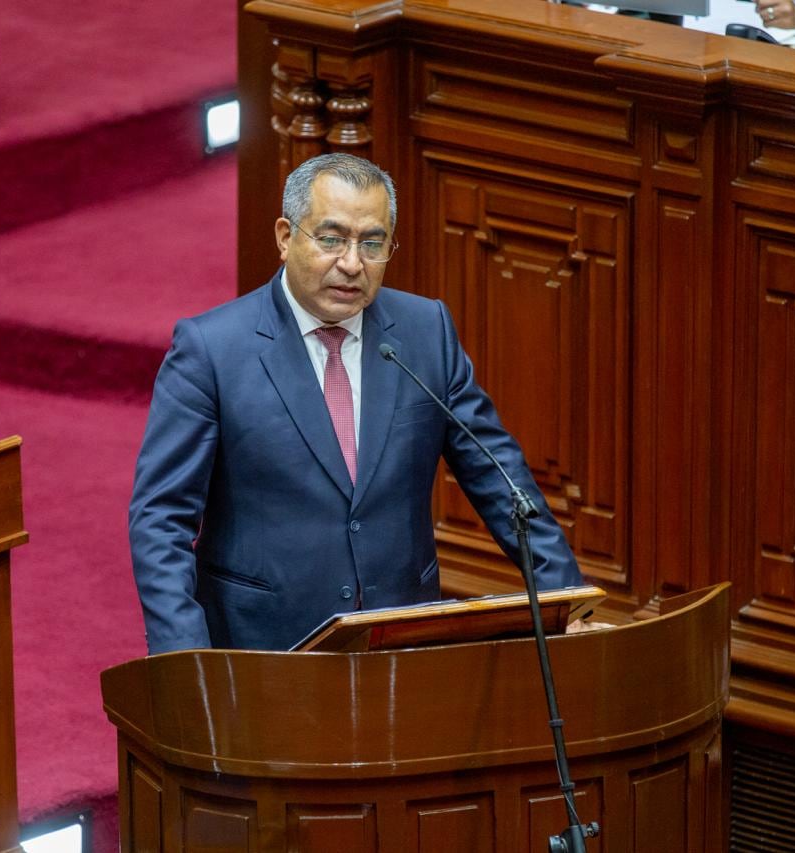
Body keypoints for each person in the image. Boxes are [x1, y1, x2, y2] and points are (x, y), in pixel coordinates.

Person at [128, 153, 584, 655]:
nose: (352, 263)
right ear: (285, 236)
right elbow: (161, 518)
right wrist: (184, 662)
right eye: (331, 239)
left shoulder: (425, 332)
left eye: (372, 243)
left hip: (401, 641)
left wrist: (566, 602)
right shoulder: (211, 350)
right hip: (262, 650)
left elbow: (501, 480)